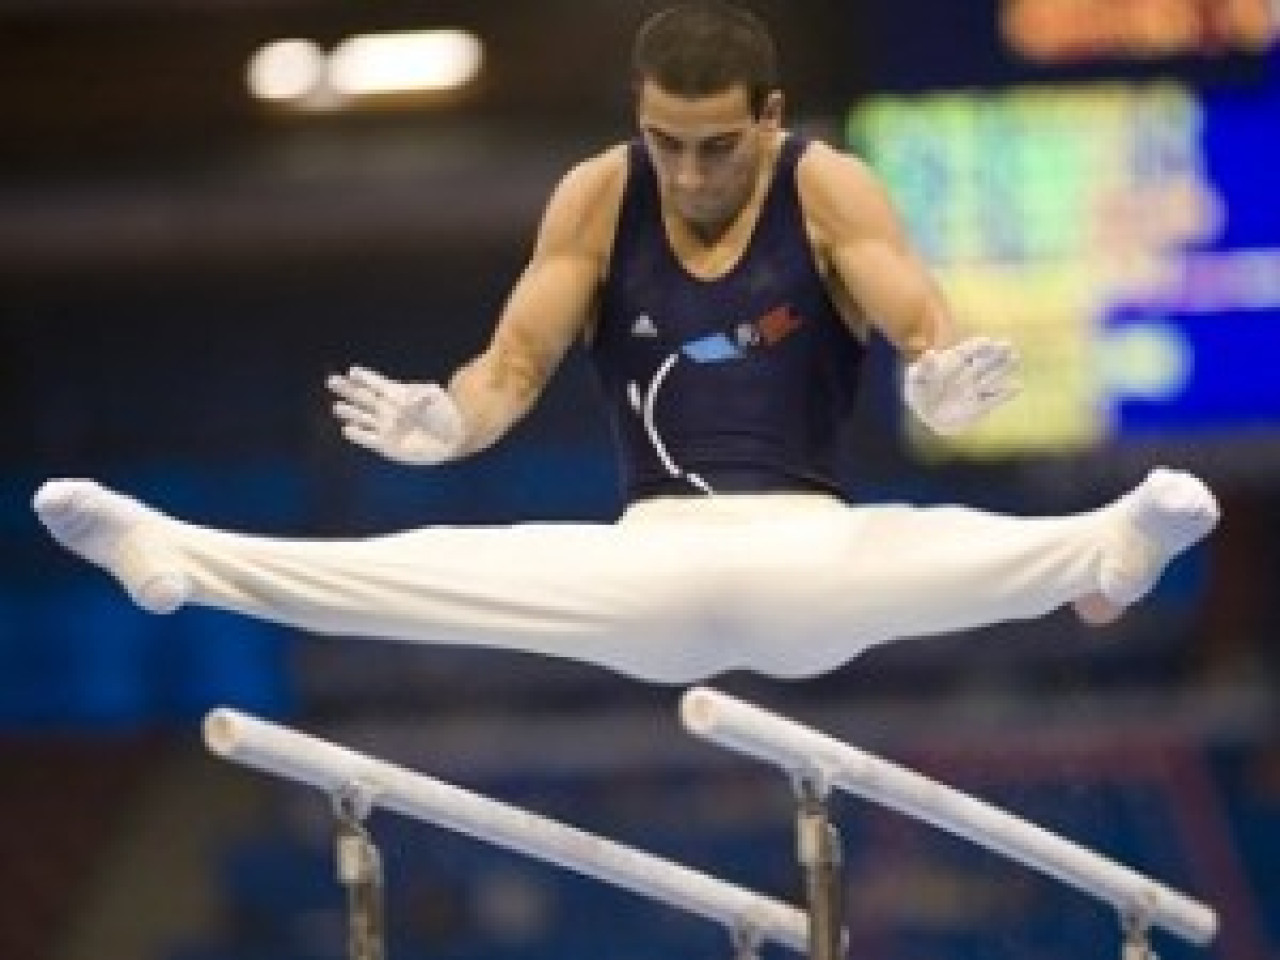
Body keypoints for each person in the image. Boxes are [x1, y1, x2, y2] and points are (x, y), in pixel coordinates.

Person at [33, 2, 1218, 685]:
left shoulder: (827, 186)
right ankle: (176, 552)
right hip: (641, 568)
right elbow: (508, 371)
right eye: (665, 142)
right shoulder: (598, 196)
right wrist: (447, 422)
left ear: (768, 117)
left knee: (935, 540)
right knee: (431, 567)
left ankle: (1110, 547)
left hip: (809, 559)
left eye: (716, 146)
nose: (688, 173)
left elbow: (921, 327)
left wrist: (942, 384)